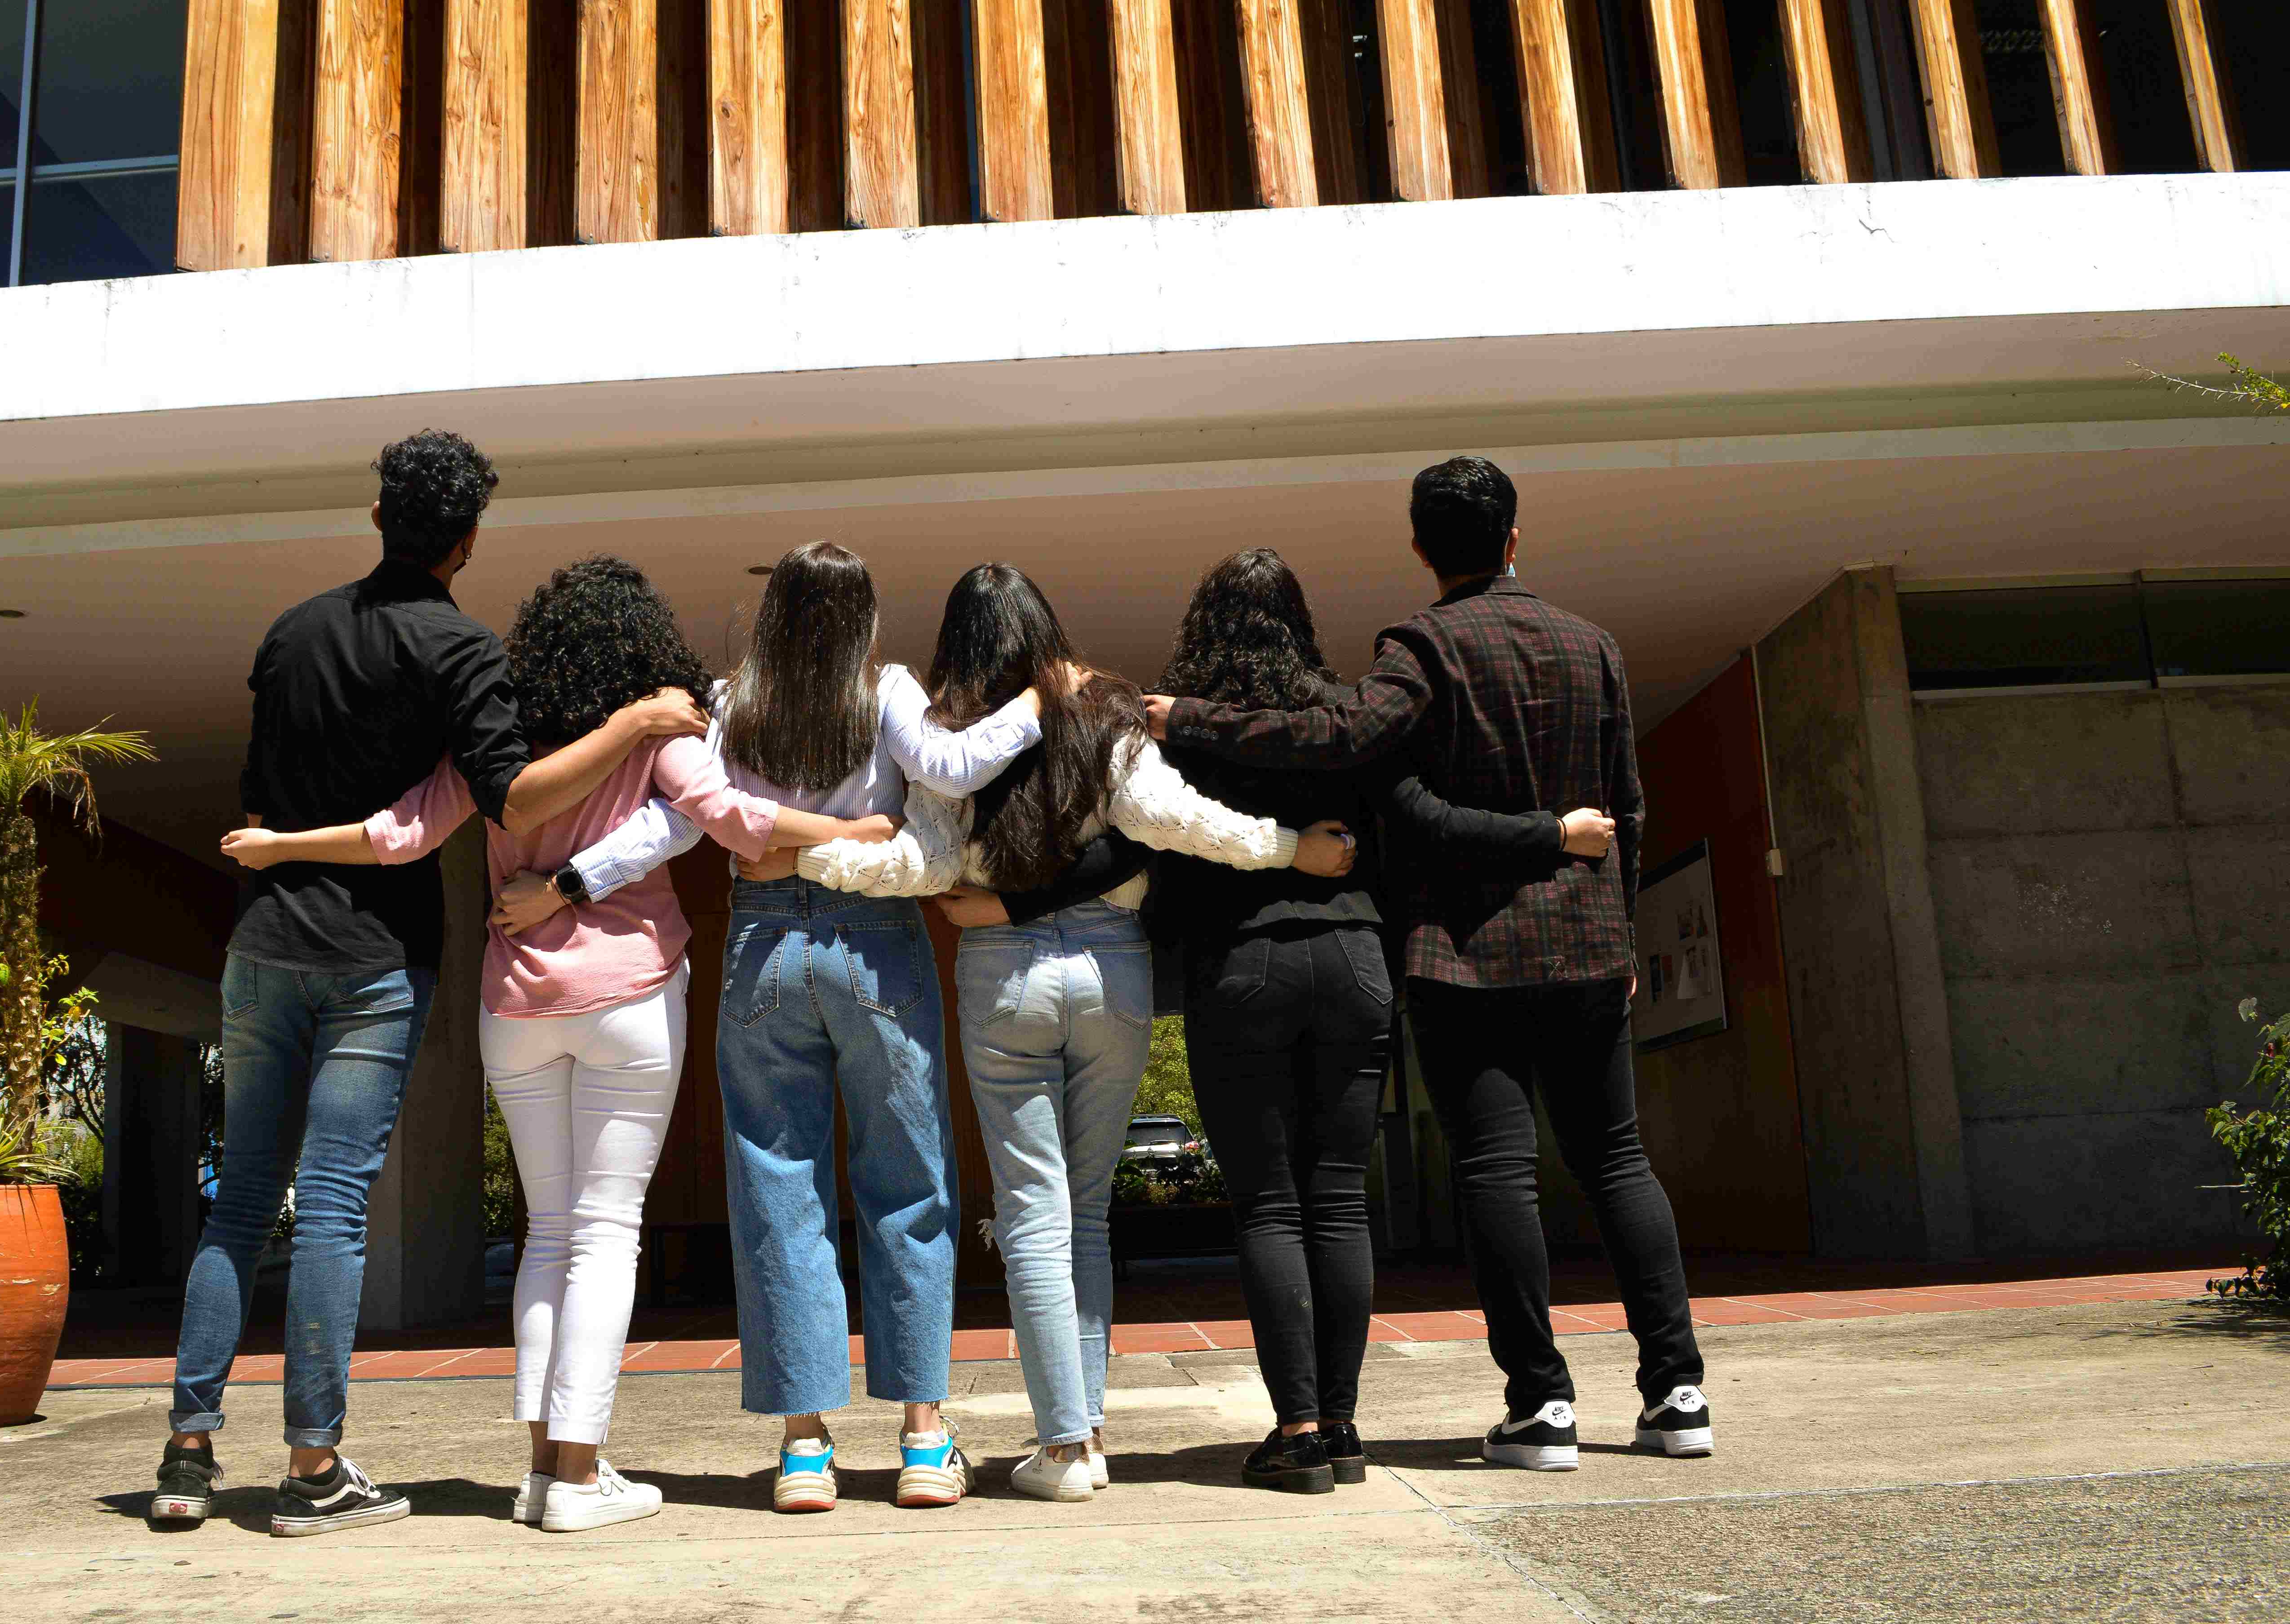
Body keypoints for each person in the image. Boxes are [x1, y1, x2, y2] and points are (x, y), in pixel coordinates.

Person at [219, 558, 899, 1532]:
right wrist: (854, 829)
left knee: (547, 1233)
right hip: (629, 998)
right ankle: (578, 1477)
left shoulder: (501, 752)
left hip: (516, 1011)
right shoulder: (654, 733)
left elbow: (401, 832)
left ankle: (542, 1469)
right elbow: (734, 820)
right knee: (607, 1231)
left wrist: (284, 845)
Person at [149, 434, 710, 1537]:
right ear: (469, 539)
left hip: (263, 943)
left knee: (243, 1197)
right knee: (335, 1206)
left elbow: (274, 791)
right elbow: (511, 796)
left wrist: (278, 850)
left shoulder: (291, 630)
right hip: (371, 956)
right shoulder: (460, 648)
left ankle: (187, 1452)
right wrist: (634, 723)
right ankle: (311, 1468)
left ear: (376, 515)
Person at [1144, 458, 1712, 1472]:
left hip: (1465, 956)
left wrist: (1185, 716)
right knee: (1617, 1159)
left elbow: (1357, 756)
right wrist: (1617, 926)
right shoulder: (1595, 646)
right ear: (1514, 537)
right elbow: (1626, 805)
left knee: (1492, 1169)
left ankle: (1540, 1404)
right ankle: (1676, 1393)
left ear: (1418, 546)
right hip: (1585, 947)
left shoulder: (1418, 650)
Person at [798, 563, 1356, 1502]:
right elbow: (1178, 822)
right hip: (1113, 974)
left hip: (1003, 979)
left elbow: (923, 862)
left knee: (1031, 1213)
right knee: (1086, 1211)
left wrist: (815, 860)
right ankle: (1083, 1433)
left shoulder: (948, 730)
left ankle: (1065, 1447)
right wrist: (1288, 848)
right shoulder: (1103, 709)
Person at [712, 541, 1048, 1514]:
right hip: (873, 939)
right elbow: (952, 765)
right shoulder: (885, 688)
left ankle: (803, 1449)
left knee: (778, 1183)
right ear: (862, 616)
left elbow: (715, 815)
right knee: (908, 1178)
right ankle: (923, 1437)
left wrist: (787, 848)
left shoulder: (734, 701)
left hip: (762, 944)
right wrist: (1041, 696)